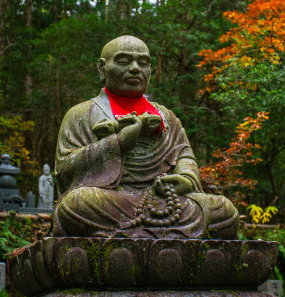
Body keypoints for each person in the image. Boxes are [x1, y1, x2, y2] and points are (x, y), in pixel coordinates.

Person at [51, 35, 239, 239]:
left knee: (224, 209)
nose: (134, 68)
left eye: (143, 63)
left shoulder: (166, 117)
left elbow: (184, 155)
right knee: (76, 204)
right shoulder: (81, 114)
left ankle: (133, 234)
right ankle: (168, 236)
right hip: (113, 199)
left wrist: (184, 179)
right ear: (102, 68)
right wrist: (118, 142)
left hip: (166, 200)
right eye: (124, 61)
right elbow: (65, 169)